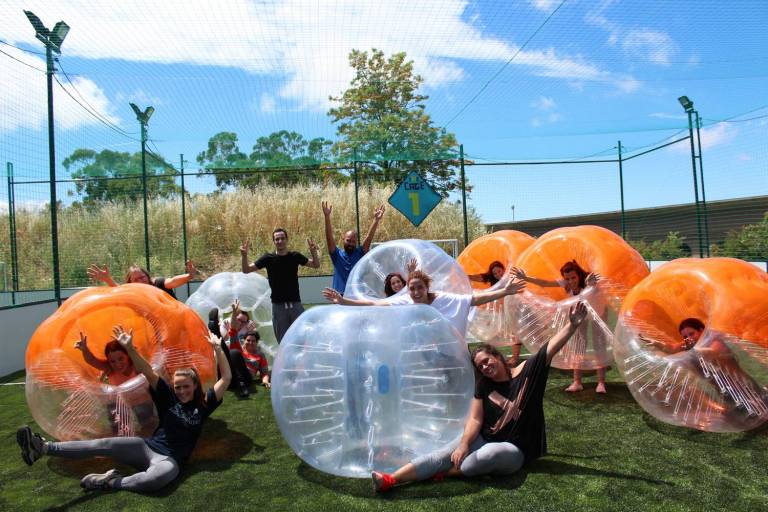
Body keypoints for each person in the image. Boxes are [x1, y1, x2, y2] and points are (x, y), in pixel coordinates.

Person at [371, 302, 589, 493]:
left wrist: (572, 325)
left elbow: (549, 349)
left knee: (481, 459)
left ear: (498, 356)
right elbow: (475, 419)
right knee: (444, 454)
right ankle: (390, 479)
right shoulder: (484, 385)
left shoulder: (527, 372)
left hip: (514, 450)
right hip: (482, 438)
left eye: (487, 361)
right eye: (480, 366)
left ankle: (450, 473)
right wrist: (464, 444)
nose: (485, 367)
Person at [17, 326, 231, 493]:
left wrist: (218, 349)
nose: (182, 390)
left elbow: (227, 378)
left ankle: (112, 482)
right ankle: (42, 447)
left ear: (195, 386)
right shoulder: (168, 397)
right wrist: (129, 348)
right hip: (145, 447)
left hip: (169, 459)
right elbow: (147, 370)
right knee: (103, 444)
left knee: (156, 480)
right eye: (178, 387)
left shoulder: (203, 403)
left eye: (186, 386)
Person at [323, 268, 526, 339]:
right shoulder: (405, 300)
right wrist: (344, 301)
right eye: (412, 288)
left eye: (419, 287)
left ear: (426, 288)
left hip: (449, 346)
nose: (416, 292)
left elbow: (473, 299)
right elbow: (374, 305)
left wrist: (504, 291)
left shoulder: (442, 299)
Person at [512, 261, 606, 394]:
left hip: (598, 312)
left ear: (579, 275)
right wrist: (525, 278)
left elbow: (596, 290)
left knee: (599, 345)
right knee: (579, 346)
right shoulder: (566, 284)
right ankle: (577, 382)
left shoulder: (588, 281)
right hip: (581, 314)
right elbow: (544, 283)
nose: (571, 281)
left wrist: (592, 285)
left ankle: (601, 383)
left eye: (573, 277)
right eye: (567, 278)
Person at [241, 229, 320, 343]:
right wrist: (244, 255)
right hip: (278, 308)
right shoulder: (268, 258)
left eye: (282, 238)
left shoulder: (295, 256)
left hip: (296, 305)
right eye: (277, 239)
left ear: (287, 240)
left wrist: (313, 252)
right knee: (283, 342)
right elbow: (246, 269)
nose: (280, 241)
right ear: (274, 241)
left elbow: (316, 265)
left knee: (303, 340)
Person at [73, 331, 154, 436]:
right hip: (118, 403)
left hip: (140, 401)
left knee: (148, 425)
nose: (118, 364)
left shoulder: (135, 366)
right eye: (113, 361)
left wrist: (130, 347)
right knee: (118, 430)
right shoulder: (110, 369)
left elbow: (148, 369)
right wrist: (85, 350)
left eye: (121, 359)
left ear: (128, 356)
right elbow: (92, 360)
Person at [323, 201, 385, 295]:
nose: (351, 244)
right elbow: (329, 237)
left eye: (353, 242)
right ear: (343, 239)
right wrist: (327, 217)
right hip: (340, 296)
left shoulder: (360, 253)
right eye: (348, 240)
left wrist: (376, 220)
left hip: (357, 295)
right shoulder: (336, 254)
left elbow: (369, 237)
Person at [468, 261, 523, 365]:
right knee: (491, 333)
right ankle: (495, 357)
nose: (498, 274)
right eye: (495, 273)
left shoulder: (510, 278)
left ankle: (515, 358)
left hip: (512, 310)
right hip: (500, 311)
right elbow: (480, 278)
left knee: (515, 334)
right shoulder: (495, 282)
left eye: (499, 271)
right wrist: (466, 276)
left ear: (504, 269)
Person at [87, 260, 198, 299]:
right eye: (136, 279)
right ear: (130, 283)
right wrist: (107, 279)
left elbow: (173, 281)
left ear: (147, 276)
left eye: (142, 277)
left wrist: (189, 276)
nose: (140, 281)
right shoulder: (133, 292)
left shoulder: (158, 283)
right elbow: (119, 291)